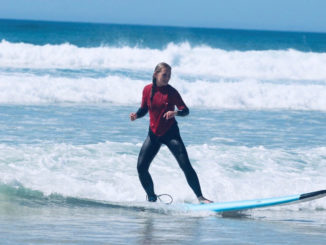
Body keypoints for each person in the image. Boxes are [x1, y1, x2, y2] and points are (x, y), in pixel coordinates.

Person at [130, 62, 212, 204]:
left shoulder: (172, 92)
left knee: (185, 165)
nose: (167, 78)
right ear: (156, 74)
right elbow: (144, 108)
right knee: (141, 167)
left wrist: (176, 113)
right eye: (164, 74)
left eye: (169, 75)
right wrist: (137, 115)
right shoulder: (147, 90)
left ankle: (200, 198)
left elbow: (185, 111)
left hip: (171, 134)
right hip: (153, 135)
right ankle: (151, 198)